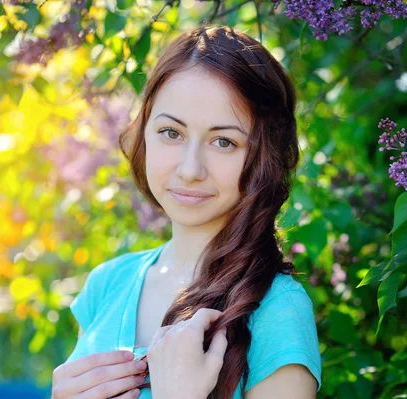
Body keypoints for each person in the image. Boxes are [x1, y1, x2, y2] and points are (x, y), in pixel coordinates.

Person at [51, 25, 321, 399]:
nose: (190, 169)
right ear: (144, 132)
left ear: (264, 158)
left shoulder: (277, 310)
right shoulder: (108, 283)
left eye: (223, 141)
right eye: (171, 133)